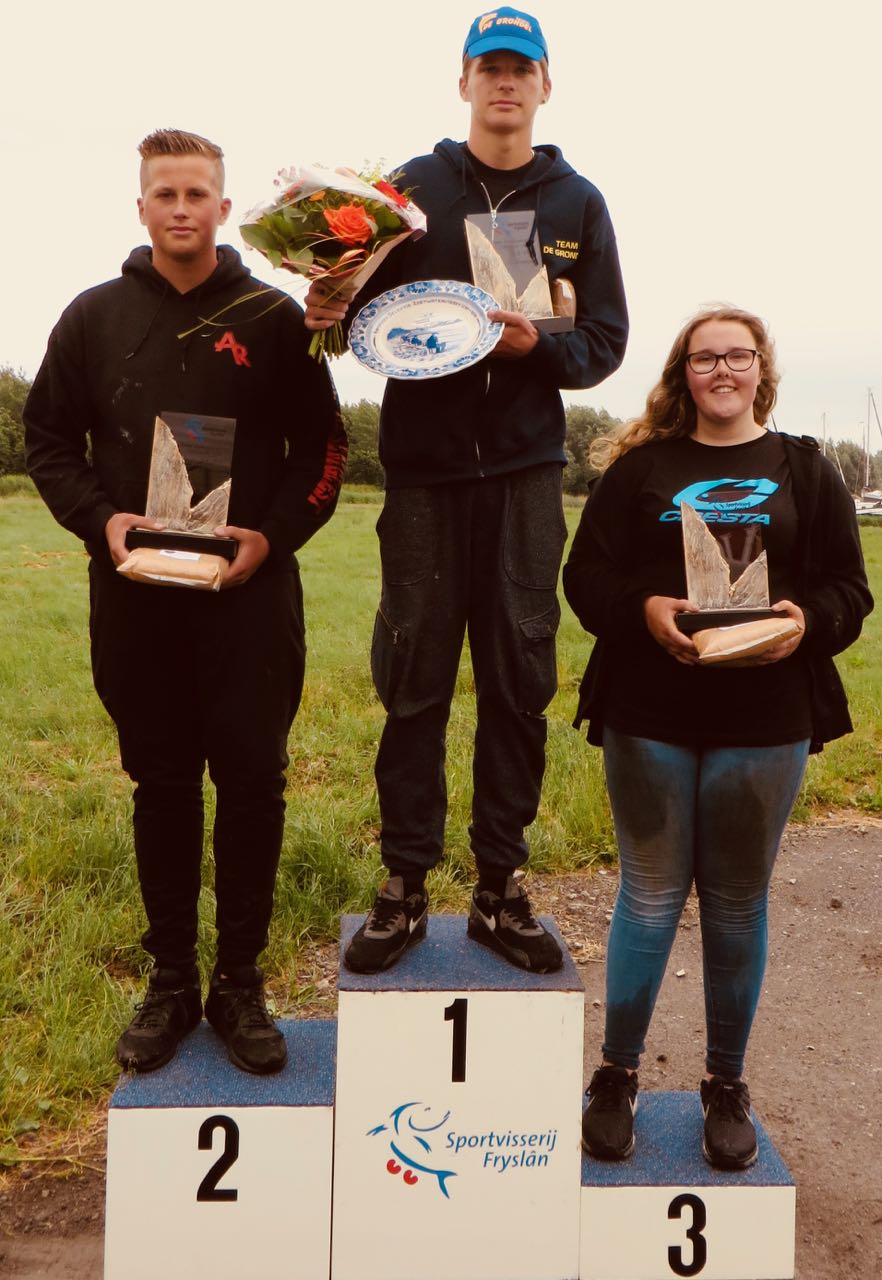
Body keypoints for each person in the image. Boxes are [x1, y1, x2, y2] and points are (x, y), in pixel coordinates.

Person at [305, 7, 628, 975]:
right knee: (413, 680)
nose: (505, 82)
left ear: (545, 86)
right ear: (463, 82)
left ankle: (500, 885)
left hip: (527, 475)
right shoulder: (409, 190)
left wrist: (538, 348)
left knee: (520, 681)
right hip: (424, 474)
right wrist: (327, 299)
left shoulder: (577, 203)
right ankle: (404, 883)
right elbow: (355, 318)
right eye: (490, 67)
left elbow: (604, 342)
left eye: (521, 68)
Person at [25, 129, 347, 1074]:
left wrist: (270, 538)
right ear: (141, 207)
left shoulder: (276, 317)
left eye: (196, 192)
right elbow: (48, 441)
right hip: (137, 601)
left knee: (252, 784)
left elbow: (323, 448)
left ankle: (239, 985)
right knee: (161, 785)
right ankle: (171, 983)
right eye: (164, 192)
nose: (180, 207)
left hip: (249, 603)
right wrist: (102, 522)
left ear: (223, 207)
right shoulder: (92, 318)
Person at [562, 305, 872, 1168]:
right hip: (650, 710)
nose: (722, 370)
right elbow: (585, 576)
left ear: (762, 368)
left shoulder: (807, 470)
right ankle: (616, 1074)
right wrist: (642, 608)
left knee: (737, 902)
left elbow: (850, 590)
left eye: (738, 355)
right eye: (705, 358)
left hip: (766, 719)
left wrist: (804, 622)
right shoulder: (641, 470)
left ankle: (725, 1083)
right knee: (649, 895)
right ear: (684, 374)